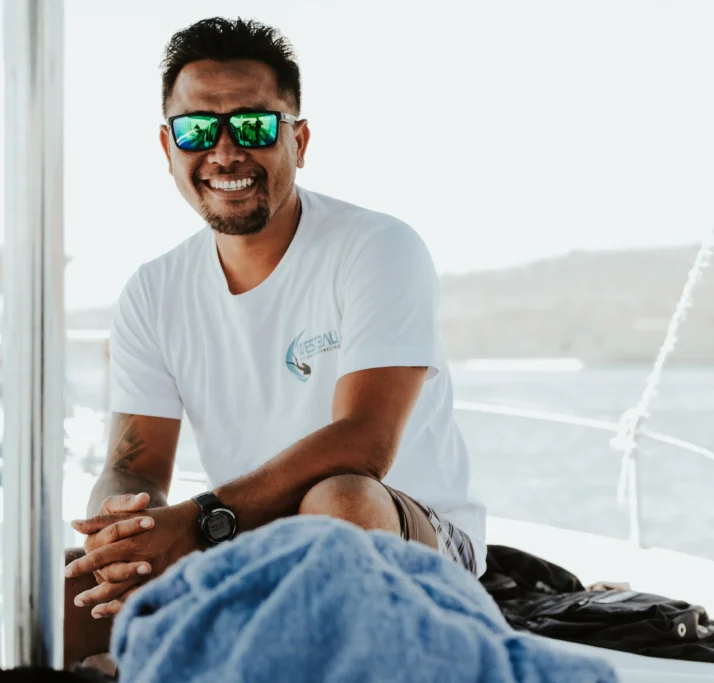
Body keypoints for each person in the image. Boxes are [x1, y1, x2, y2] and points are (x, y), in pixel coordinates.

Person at [62, 16, 485, 668]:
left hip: (406, 535)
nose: (226, 152)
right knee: (54, 596)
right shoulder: (153, 290)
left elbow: (364, 443)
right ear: (167, 147)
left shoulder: (376, 248)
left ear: (300, 139)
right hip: (240, 535)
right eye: (198, 129)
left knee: (337, 502)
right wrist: (125, 526)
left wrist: (200, 518)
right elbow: (136, 461)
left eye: (255, 126)